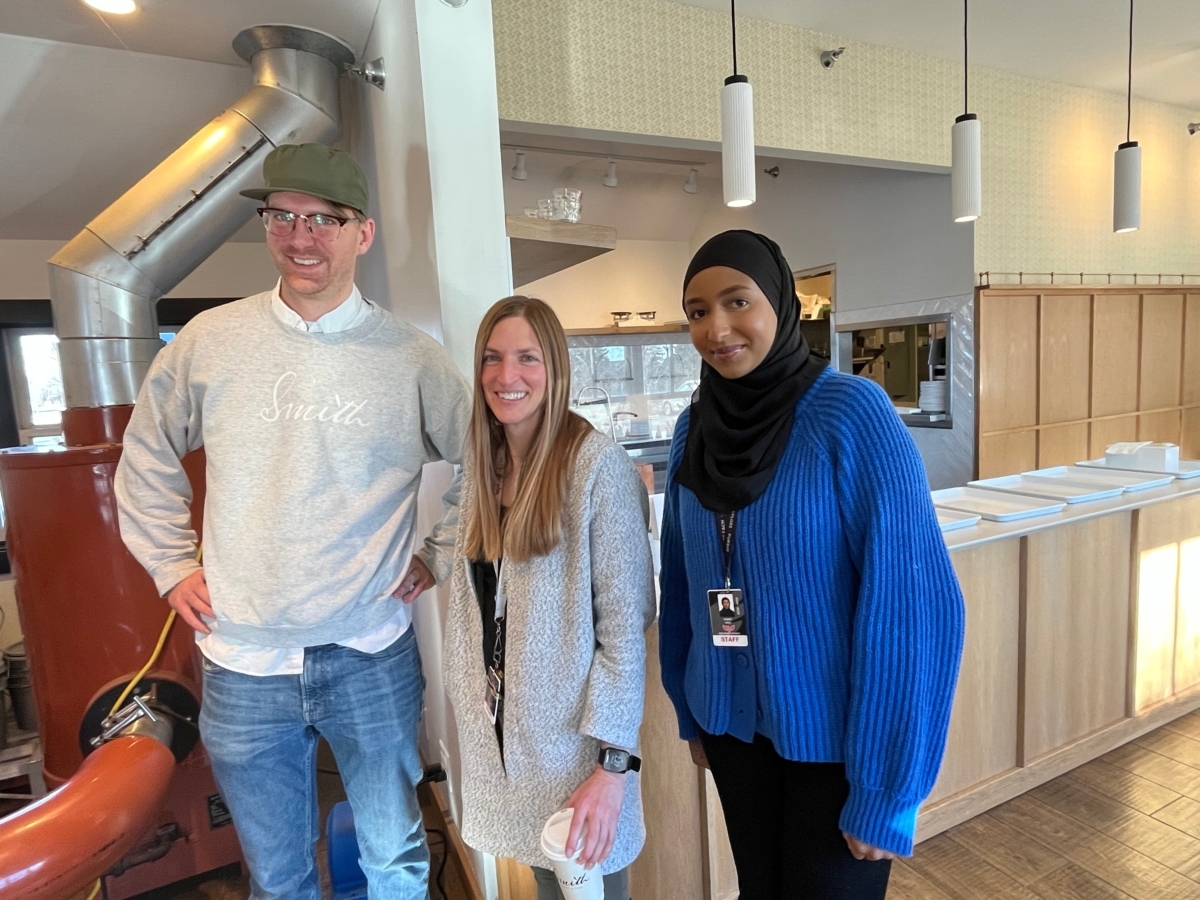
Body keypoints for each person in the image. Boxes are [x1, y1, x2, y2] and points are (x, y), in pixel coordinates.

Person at [115, 143, 471, 900]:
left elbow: (486, 468)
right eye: (282, 217)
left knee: (397, 859)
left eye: (323, 219)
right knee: (278, 876)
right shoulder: (209, 342)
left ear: (361, 234)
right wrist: (171, 564)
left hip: (369, 651)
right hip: (243, 661)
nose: (300, 236)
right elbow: (144, 456)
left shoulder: (413, 358)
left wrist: (440, 551)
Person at [658, 230, 965, 900]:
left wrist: (886, 791)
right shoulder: (695, 428)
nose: (718, 328)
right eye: (698, 311)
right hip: (733, 734)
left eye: (737, 301)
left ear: (779, 304)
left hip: (837, 751)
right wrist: (692, 707)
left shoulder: (852, 416)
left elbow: (912, 611)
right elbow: (680, 581)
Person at [442, 296, 656, 900]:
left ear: (555, 368)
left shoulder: (595, 468)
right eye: (492, 358)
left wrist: (613, 769)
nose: (506, 377)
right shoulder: (487, 469)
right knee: (543, 885)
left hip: (578, 756)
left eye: (526, 358)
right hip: (509, 748)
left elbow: (624, 630)